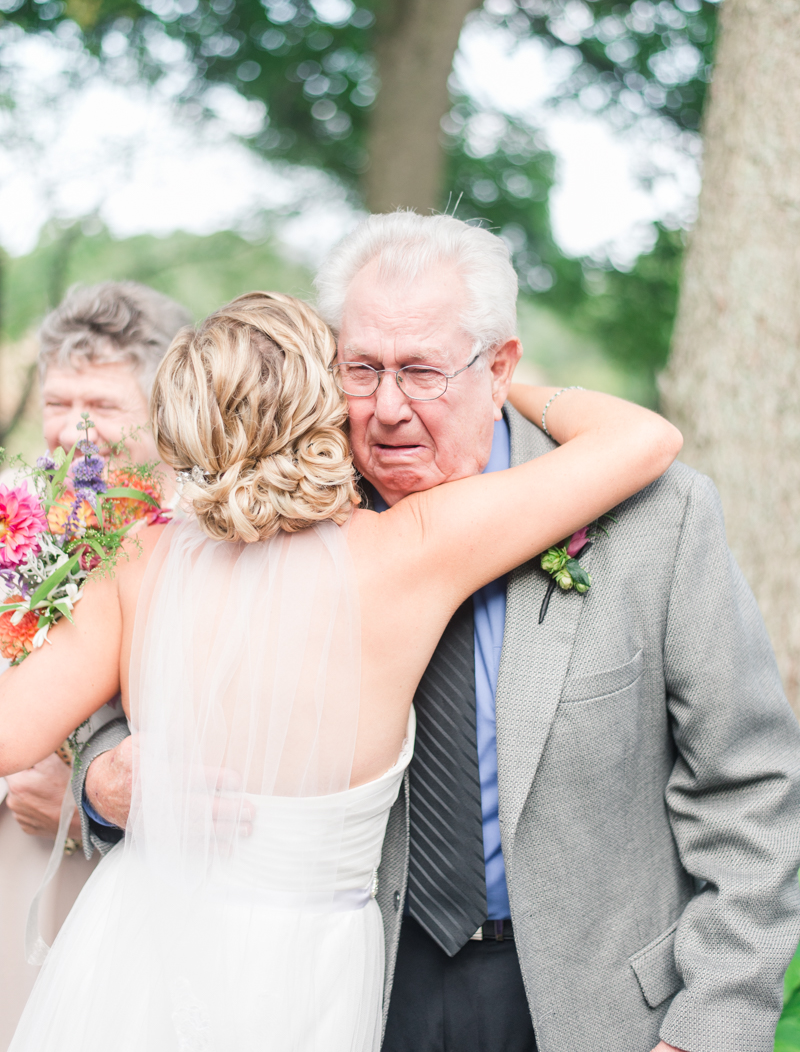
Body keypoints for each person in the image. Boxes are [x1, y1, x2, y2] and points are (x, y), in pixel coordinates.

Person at [75, 214, 800, 1051]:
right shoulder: (262, 508)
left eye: (421, 371)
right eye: (362, 370)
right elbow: (124, 674)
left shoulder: (654, 517)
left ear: (500, 367)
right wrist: (103, 780)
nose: (386, 410)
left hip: (595, 1008)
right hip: (349, 992)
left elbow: (751, 785)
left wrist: (710, 1028)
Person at [0, 289, 680, 1052]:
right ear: (325, 402)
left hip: (134, 942)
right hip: (304, 974)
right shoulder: (411, 550)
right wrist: (483, 380)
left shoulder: (133, 561)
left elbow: (11, 734)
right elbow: (642, 437)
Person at [0, 281, 190, 1050]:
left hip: (140, 892)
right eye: (58, 402)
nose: (75, 432)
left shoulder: (199, 544)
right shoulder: (12, 521)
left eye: (105, 407)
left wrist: (88, 805)